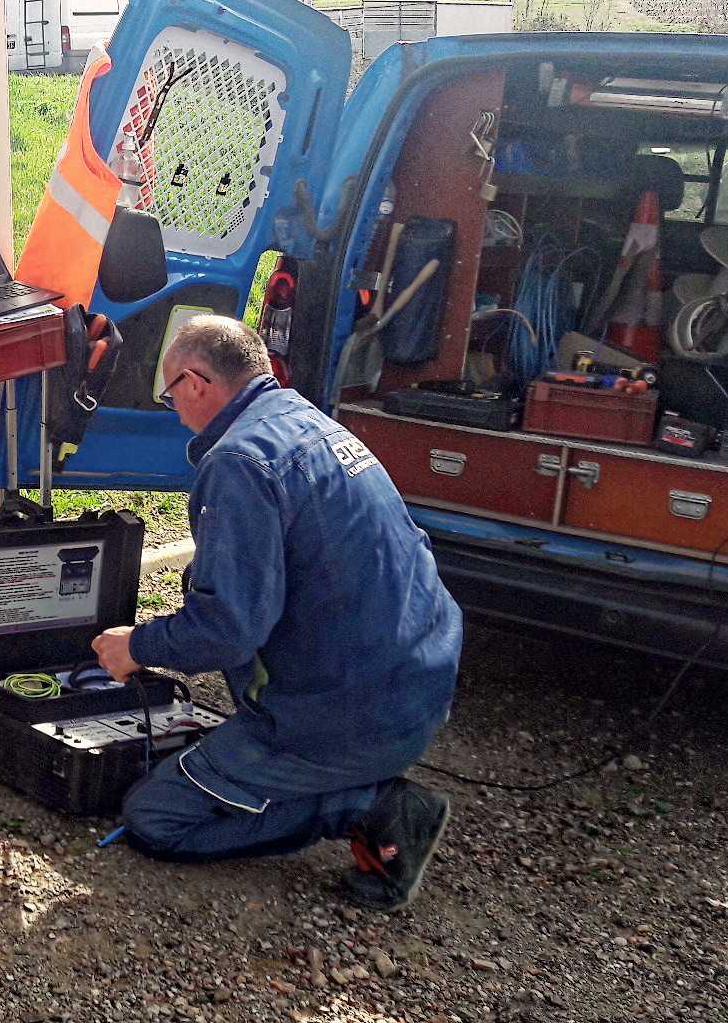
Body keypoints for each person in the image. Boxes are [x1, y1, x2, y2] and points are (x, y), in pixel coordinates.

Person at [92, 317, 464, 910]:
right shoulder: (309, 424)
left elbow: (231, 630)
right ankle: (337, 777)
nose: (175, 411)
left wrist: (137, 647)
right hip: (419, 683)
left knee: (155, 818)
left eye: (169, 398)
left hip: (349, 714)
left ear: (194, 382)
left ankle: (370, 806)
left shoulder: (239, 462)